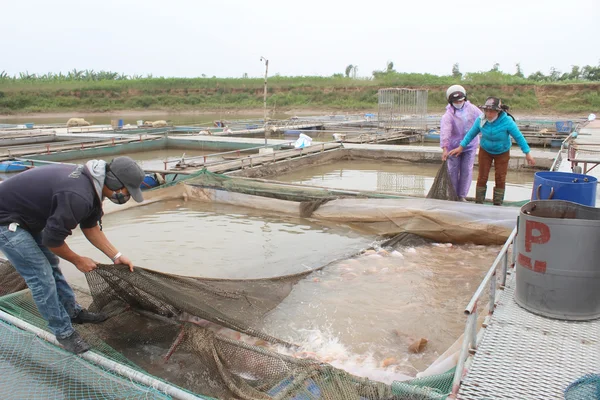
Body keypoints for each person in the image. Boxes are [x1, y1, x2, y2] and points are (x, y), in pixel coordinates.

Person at [0, 156, 145, 354]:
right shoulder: (78, 194)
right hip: (6, 222)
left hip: (25, 218)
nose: (125, 196)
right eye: (126, 191)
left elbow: (91, 227)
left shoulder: (92, 187)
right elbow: (52, 241)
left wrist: (116, 255)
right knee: (41, 276)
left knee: (51, 264)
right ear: (113, 181)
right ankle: (64, 333)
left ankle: (73, 312)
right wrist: (78, 260)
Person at [448, 97, 535, 205]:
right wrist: (461, 147)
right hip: (485, 150)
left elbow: (519, 137)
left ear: (498, 111)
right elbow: (471, 134)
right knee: (482, 176)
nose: (488, 114)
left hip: (502, 151)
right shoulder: (481, 120)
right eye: (486, 111)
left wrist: (527, 153)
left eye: (492, 111)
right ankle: (479, 202)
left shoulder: (507, 121)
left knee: (500, 177)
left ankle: (497, 204)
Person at [440, 84, 483, 201]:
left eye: (461, 100)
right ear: (450, 101)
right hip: (454, 147)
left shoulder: (472, 109)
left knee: (467, 171)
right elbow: (445, 132)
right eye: (455, 101)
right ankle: (453, 195)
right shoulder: (448, 115)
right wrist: (445, 148)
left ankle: (462, 195)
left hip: (470, 145)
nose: (458, 103)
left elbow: (483, 120)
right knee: (452, 171)